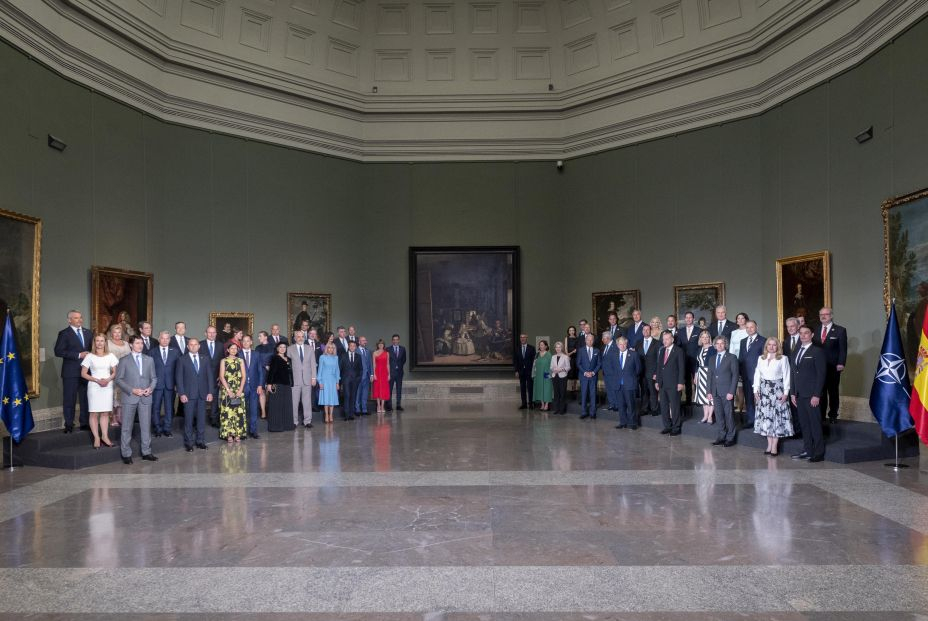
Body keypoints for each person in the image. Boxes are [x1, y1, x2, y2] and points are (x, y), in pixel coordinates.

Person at [114, 335, 158, 464]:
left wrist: (150, 388)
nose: (140, 345)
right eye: (137, 343)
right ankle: (126, 454)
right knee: (127, 427)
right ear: (131, 345)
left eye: (141, 343)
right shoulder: (124, 360)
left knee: (146, 426)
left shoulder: (149, 359)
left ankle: (146, 452)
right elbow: (118, 379)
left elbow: (154, 378)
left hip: (146, 397)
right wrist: (132, 390)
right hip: (129, 397)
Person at [790, 325, 827, 462]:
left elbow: (821, 375)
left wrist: (817, 394)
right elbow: (794, 373)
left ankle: (818, 452)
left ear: (812, 335)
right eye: (801, 333)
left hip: (812, 395)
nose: (803, 335)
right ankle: (807, 450)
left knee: (815, 424)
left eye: (806, 333)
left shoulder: (817, 351)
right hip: (799, 395)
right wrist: (793, 393)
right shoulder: (796, 351)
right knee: (804, 424)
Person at [54, 310, 94, 433]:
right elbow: (58, 351)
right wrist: (78, 355)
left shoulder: (88, 333)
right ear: (69, 320)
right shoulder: (64, 333)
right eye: (76, 318)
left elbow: (93, 350)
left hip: (86, 372)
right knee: (69, 399)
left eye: (80, 317)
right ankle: (69, 424)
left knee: (85, 398)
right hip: (70, 372)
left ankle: (84, 423)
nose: (79, 320)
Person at [754, 337, 793, 456]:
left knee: (776, 418)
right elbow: (757, 374)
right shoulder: (761, 358)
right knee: (766, 418)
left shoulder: (783, 358)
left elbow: (787, 376)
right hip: (764, 391)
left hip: (777, 391)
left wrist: (786, 393)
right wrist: (755, 390)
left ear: (778, 347)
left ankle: (774, 446)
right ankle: (769, 445)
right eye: (769, 345)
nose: (771, 347)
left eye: (774, 345)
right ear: (766, 346)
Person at [80, 334, 118, 448]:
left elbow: (114, 372)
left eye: (102, 341)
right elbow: (83, 374)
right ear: (94, 342)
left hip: (107, 386)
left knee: (105, 412)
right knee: (94, 413)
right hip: (94, 386)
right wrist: (97, 380)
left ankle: (105, 436)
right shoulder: (90, 356)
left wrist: (107, 380)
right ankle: (96, 437)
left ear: (105, 342)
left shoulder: (111, 356)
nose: (100, 343)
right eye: (97, 341)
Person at [174, 338, 212, 451]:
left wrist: (210, 392)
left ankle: (200, 441)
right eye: (191, 344)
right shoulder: (182, 359)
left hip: (202, 394)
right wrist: (181, 393)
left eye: (196, 344)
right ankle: (189, 443)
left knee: (201, 419)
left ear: (199, 346)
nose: (194, 346)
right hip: (188, 394)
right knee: (188, 420)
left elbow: (209, 376)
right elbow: (179, 378)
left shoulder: (205, 359)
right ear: (188, 346)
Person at [813, 307, 848, 424]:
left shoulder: (840, 330)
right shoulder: (815, 330)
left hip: (833, 367)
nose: (823, 316)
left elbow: (843, 350)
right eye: (821, 314)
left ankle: (833, 414)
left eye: (826, 314)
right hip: (818, 367)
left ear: (831, 316)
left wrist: (841, 363)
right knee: (820, 391)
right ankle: (821, 415)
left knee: (833, 391)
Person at [708, 336, 739, 447]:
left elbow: (735, 375)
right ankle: (721, 436)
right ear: (715, 345)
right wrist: (709, 391)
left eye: (722, 343)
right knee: (719, 415)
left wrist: (732, 391)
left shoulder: (732, 357)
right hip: (715, 391)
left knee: (729, 415)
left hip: (727, 392)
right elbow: (710, 376)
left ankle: (730, 437)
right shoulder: (712, 358)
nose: (719, 345)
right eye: (717, 343)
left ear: (725, 345)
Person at [151, 330, 180, 438]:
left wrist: (177, 384)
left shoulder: (175, 351)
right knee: (156, 408)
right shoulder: (152, 352)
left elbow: (178, 369)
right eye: (162, 338)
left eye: (167, 338)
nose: (164, 340)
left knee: (169, 408)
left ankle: (167, 429)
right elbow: (150, 370)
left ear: (169, 340)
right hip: (156, 385)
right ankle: (157, 429)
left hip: (170, 385)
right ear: (159, 339)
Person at [656, 330, 685, 435]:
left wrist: (681, 382)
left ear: (672, 339)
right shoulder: (662, 350)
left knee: (675, 406)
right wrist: (657, 381)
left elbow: (682, 368)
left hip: (674, 383)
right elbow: (659, 367)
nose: (665, 341)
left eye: (667, 339)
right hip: (662, 383)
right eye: (664, 339)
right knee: (663, 406)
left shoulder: (678, 351)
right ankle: (667, 426)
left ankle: (676, 428)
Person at [218, 342, 247, 444]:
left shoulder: (240, 361)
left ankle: (238, 434)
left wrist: (240, 390)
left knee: (238, 412)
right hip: (227, 390)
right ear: (228, 350)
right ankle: (229, 434)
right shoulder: (223, 361)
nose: (234, 350)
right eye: (232, 348)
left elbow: (244, 376)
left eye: (236, 348)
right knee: (227, 412)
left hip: (239, 389)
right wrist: (228, 390)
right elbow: (221, 376)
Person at [739, 320, 765, 429]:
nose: (749, 329)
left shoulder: (763, 340)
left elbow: (765, 359)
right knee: (748, 399)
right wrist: (740, 373)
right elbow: (741, 358)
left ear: (756, 327)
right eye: (747, 327)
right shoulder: (743, 341)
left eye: (752, 327)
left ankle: (762, 421)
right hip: (745, 375)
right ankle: (751, 420)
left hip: (758, 376)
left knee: (760, 399)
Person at [288, 330, 317, 428]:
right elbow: (287, 365)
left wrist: (313, 377)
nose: (300, 338)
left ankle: (307, 421)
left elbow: (313, 364)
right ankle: (294, 421)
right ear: (295, 338)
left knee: (307, 401)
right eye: (298, 337)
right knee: (294, 402)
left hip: (307, 379)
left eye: (302, 336)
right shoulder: (289, 349)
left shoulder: (309, 349)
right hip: (295, 380)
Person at [265, 341, 294, 432]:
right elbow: (271, 372)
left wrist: (291, 383)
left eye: (284, 347)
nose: (282, 349)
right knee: (276, 406)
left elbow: (290, 372)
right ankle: (276, 427)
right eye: (280, 347)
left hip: (287, 385)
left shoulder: (288, 359)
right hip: (277, 384)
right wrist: (269, 384)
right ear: (277, 348)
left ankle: (287, 426)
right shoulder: (274, 358)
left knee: (287, 405)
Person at [613, 337, 641, 430]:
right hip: (618, 384)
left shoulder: (633, 354)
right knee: (621, 405)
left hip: (629, 384)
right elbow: (613, 369)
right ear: (617, 345)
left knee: (631, 405)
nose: (622, 346)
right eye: (620, 344)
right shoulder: (614, 355)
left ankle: (632, 423)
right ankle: (623, 422)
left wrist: (630, 377)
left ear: (627, 343)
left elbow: (638, 369)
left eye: (624, 344)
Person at [107, 324, 131, 427]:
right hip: (112, 372)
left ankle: (120, 416)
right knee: (112, 396)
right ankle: (113, 417)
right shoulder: (107, 343)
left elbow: (130, 357)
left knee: (122, 396)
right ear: (111, 333)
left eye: (119, 332)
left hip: (125, 374)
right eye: (115, 332)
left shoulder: (126, 343)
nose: (117, 334)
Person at [240, 335, 264, 439]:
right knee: (242, 409)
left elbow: (260, 371)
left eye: (247, 341)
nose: (245, 343)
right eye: (244, 341)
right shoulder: (237, 353)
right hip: (242, 386)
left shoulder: (256, 354)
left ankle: (253, 431)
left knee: (254, 409)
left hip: (254, 386)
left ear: (251, 342)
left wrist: (260, 385)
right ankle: (242, 432)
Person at [201, 326, 224, 427]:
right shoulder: (199, 345)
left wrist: (221, 375)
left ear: (216, 334)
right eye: (209, 332)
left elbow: (222, 361)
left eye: (213, 332)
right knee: (201, 399)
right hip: (201, 378)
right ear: (205, 333)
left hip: (216, 378)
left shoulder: (220, 345)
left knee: (215, 399)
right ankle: (199, 420)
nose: (211, 334)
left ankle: (214, 420)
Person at [678, 312, 701, 404]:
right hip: (684, 359)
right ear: (685, 319)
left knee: (697, 380)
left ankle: (698, 400)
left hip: (696, 359)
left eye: (690, 317)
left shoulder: (699, 330)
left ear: (693, 319)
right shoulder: (680, 331)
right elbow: (678, 345)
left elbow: (701, 346)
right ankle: (688, 400)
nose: (688, 319)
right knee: (687, 380)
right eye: (686, 317)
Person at [577, 333, 601, 419]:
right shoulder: (581, 350)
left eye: (591, 340)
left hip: (593, 376)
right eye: (588, 340)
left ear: (593, 341)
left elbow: (599, 364)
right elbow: (578, 364)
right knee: (583, 394)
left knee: (593, 394)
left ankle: (592, 412)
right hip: (583, 376)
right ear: (585, 341)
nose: (590, 341)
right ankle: (583, 412)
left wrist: (593, 372)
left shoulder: (597, 351)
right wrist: (585, 372)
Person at [638, 324, 659, 417]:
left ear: (650, 331)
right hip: (642, 372)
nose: (645, 331)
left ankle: (654, 409)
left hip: (653, 372)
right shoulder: (638, 343)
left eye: (647, 330)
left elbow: (659, 360)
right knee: (644, 391)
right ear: (642, 331)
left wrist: (656, 373)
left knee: (653, 391)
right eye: (644, 330)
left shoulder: (657, 343)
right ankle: (644, 408)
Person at [317, 342, 341, 424]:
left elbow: (337, 371)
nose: (330, 349)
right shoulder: (322, 357)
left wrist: (337, 382)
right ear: (326, 348)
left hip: (333, 380)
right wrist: (320, 381)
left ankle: (331, 415)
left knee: (332, 398)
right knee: (326, 398)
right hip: (324, 380)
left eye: (332, 348)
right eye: (329, 347)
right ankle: (326, 415)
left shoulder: (336, 358)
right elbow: (319, 370)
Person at [693, 330, 714, 424]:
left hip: (710, 373)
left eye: (707, 337)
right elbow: (697, 364)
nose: (705, 339)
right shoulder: (699, 349)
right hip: (701, 374)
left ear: (709, 338)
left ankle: (710, 416)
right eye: (703, 337)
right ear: (700, 339)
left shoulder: (713, 348)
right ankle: (705, 415)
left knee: (710, 396)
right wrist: (695, 375)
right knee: (702, 396)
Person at [340, 340, 363, 420]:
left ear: (356, 347)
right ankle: (346, 415)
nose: (352, 347)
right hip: (346, 380)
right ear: (348, 347)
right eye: (351, 346)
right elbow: (340, 368)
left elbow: (361, 369)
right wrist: (341, 380)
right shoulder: (343, 356)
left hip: (355, 380)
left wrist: (359, 378)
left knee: (353, 396)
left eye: (354, 346)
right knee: (347, 396)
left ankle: (351, 414)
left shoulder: (358, 356)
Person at [255, 331, 274, 419]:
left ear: (266, 337)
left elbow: (275, 358)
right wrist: (264, 365)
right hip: (261, 371)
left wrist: (270, 366)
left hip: (271, 371)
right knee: (261, 391)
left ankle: (271, 411)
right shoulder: (257, 348)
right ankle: (263, 412)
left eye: (260, 336)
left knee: (271, 391)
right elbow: (256, 360)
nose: (259, 338)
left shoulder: (273, 347)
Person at [600, 332, 621, 411]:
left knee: (614, 389)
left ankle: (617, 405)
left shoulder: (615, 346)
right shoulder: (605, 347)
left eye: (603, 338)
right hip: (606, 373)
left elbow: (617, 360)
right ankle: (612, 404)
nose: (602, 340)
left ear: (608, 338)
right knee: (609, 389)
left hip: (613, 373)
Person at [514, 333, 535, 410]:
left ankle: (531, 404)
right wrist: (516, 371)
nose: (522, 339)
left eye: (524, 337)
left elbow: (534, 361)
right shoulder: (517, 348)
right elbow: (516, 361)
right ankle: (524, 404)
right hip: (521, 372)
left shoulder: (531, 348)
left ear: (527, 338)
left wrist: (533, 371)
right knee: (522, 388)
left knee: (530, 388)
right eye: (521, 337)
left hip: (529, 371)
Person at [550, 341, 570, 415]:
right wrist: (554, 369)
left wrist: (561, 369)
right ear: (555, 348)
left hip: (562, 376)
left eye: (559, 347)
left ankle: (562, 410)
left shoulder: (565, 357)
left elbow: (568, 367)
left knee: (562, 393)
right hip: (555, 376)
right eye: (556, 347)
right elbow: (551, 367)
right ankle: (556, 409)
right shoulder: (553, 357)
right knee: (556, 393)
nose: (558, 348)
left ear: (562, 348)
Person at [531, 340, 553, 411]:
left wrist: (550, 375)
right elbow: (534, 365)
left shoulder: (549, 354)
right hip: (538, 375)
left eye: (543, 345)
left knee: (547, 389)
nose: (541, 346)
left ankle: (547, 404)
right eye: (540, 345)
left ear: (546, 346)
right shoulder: (537, 354)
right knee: (539, 389)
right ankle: (542, 404)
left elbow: (551, 366)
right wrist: (533, 374)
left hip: (546, 374)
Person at [387, 334, 406, 412]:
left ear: (399, 340)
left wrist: (399, 366)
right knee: (389, 390)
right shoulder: (388, 349)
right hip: (391, 373)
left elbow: (404, 360)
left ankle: (398, 405)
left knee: (399, 389)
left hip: (399, 372)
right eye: (394, 339)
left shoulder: (403, 349)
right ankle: (389, 406)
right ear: (392, 340)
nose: (395, 341)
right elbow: (387, 361)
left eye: (396, 339)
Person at [372, 339, 391, 413]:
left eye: (382, 344)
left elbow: (388, 364)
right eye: (379, 344)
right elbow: (374, 364)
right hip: (377, 372)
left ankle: (382, 406)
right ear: (377, 345)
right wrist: (374, 374)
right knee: (377, 389)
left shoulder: (387, 353)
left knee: (384, 389)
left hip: (384, 373)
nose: (380, 345)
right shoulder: (374, 353)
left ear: (384, 345)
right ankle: (378, 406)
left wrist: (389, 374)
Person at [356, 336, 373, 416]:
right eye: (362, 340)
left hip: (367, 376)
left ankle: (364, 409)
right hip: (359, 376)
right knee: (358, 393)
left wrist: (372, 374)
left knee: (365, 393)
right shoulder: (356, 351)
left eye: (365, 340)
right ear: (359, 342)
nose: (364, 342)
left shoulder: (368, 351)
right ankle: (357, 409)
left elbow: (370, 364)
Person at [565, 326, 579, 395]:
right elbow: (565, 348)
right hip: (569, 357)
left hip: (576, 357)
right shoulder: (566, 338)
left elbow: (577, 349)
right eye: (570, 330)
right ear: (568, 331)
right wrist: (568, 355)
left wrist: (571, 353)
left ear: (575, 331)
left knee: (575, 373)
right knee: (570, 373)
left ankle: (575, 389)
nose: (571, 331)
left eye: (573, 330)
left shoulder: (577, 338)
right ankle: (570, 390)